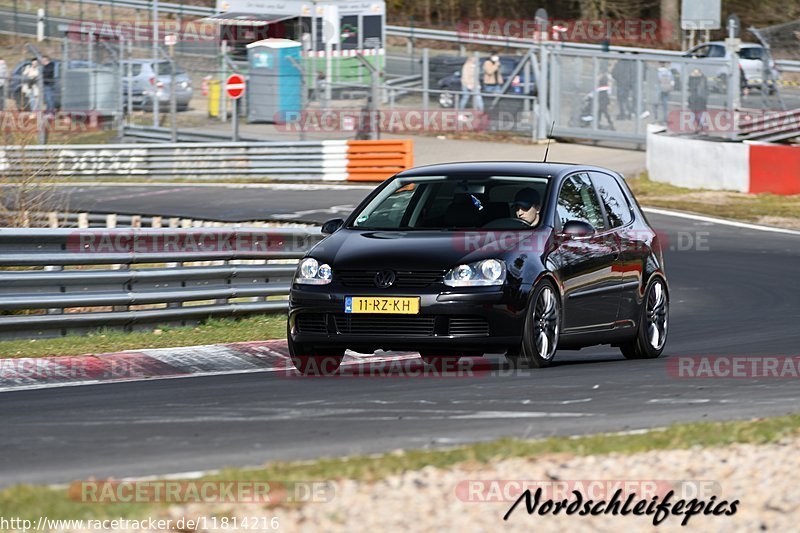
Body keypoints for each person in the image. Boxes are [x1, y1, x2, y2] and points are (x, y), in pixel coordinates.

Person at [688, 68, 708, 133]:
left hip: (700, 100)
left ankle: (701, 126)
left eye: (696, 72)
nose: (695, 74)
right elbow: (690, 87)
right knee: (694, 115)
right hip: (694, 100)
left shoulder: (702, 80)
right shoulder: (692, 79)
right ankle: (697, 127)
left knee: (699, 115)